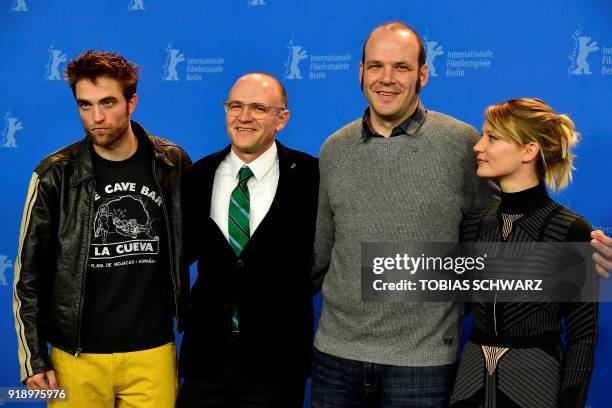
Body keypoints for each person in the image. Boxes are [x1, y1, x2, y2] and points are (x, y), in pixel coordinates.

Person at [310, 21, 612, 407]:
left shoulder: (460, 143)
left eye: (401, 67)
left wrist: (582, 257)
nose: (386, 78)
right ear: (361, 71)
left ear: (423, 74)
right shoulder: (334, 149)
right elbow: (323, 251)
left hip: (428, 364)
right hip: (338, 358)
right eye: (375, 66)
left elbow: (512, 234)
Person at [13, 51, 191, 407]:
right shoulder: (54, 174)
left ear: (132, 102)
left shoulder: (171, 163)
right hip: (75, 356)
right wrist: (34, 356)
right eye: (85, 105)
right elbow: (28, 275)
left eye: (108, 102)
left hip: (152, 351)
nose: (96, 117)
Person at [176, 72, 319, 408]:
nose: (243, 117)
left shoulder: (313, 176)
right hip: (205, 361)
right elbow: (180, 254)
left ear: (281, 119)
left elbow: (324, 258)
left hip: (278, 363)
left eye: (258, 108)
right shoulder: (197, 176)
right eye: (235, 106)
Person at [450, 98, 598, 407]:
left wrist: (572, 401)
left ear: (528, 151)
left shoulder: (570, 229)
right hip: (469, 380)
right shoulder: (475, 224)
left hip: (536, 381)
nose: (478, 146)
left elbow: (582, 335)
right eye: (482, 135)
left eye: (492, 137)